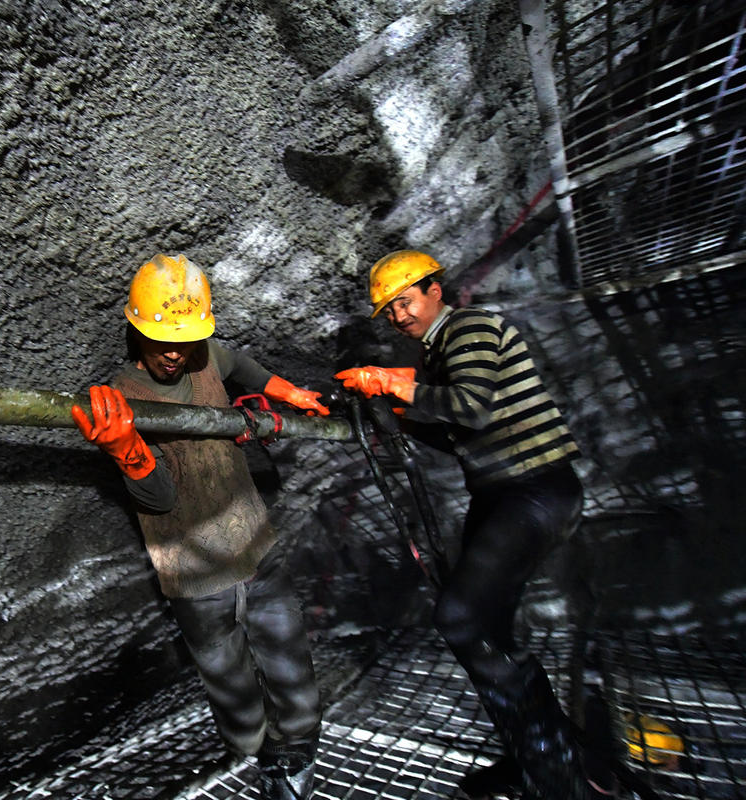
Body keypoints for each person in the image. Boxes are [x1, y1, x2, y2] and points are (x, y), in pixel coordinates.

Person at [334, 250, 606, 800]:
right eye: (389, 311)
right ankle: (538, 757)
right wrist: (389, 408)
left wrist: (392, 385)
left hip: (532, 490)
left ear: (436, 290)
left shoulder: (471, 328)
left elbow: (470, 408)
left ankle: (557, 774)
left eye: (404, 301)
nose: (399, 317)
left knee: (462, 619)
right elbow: (453, 434)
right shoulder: (441, 355)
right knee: (489, 633)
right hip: (502, 495)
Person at [70, 254, 328, 800]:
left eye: (186, 339)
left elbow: (244, 368)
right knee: (228, 678)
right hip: (192, 570)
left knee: (289, 661)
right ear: (136, 327)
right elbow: (159, 499)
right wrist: (128, 452)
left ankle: (298, 748)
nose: (174, 352)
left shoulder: (203, 355)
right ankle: (254, 754)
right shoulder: (123, 398)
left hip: (255, 547)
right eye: (163, 339)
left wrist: (288, 393)